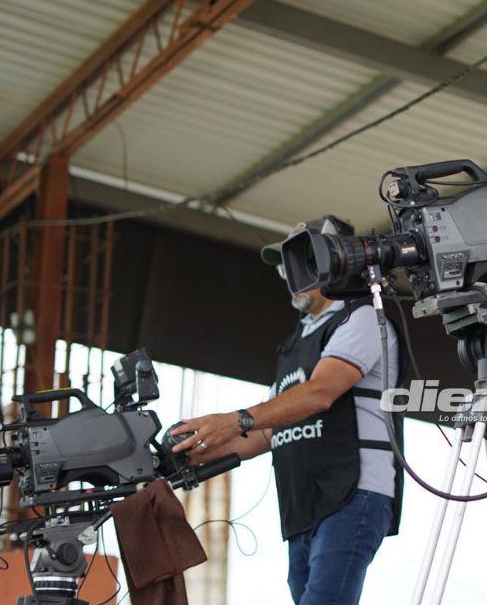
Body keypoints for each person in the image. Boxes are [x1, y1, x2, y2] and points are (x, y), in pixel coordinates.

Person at [171, 215, 404, 605]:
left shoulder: (360, 316)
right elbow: (265, 431)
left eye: (298, 263)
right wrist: (188, 457)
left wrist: (234, 420)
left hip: (352, 493)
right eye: (284, 268)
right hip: (305, 504)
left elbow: (319, 393)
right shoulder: (298, 340)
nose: (288, 277)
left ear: (333, 261)